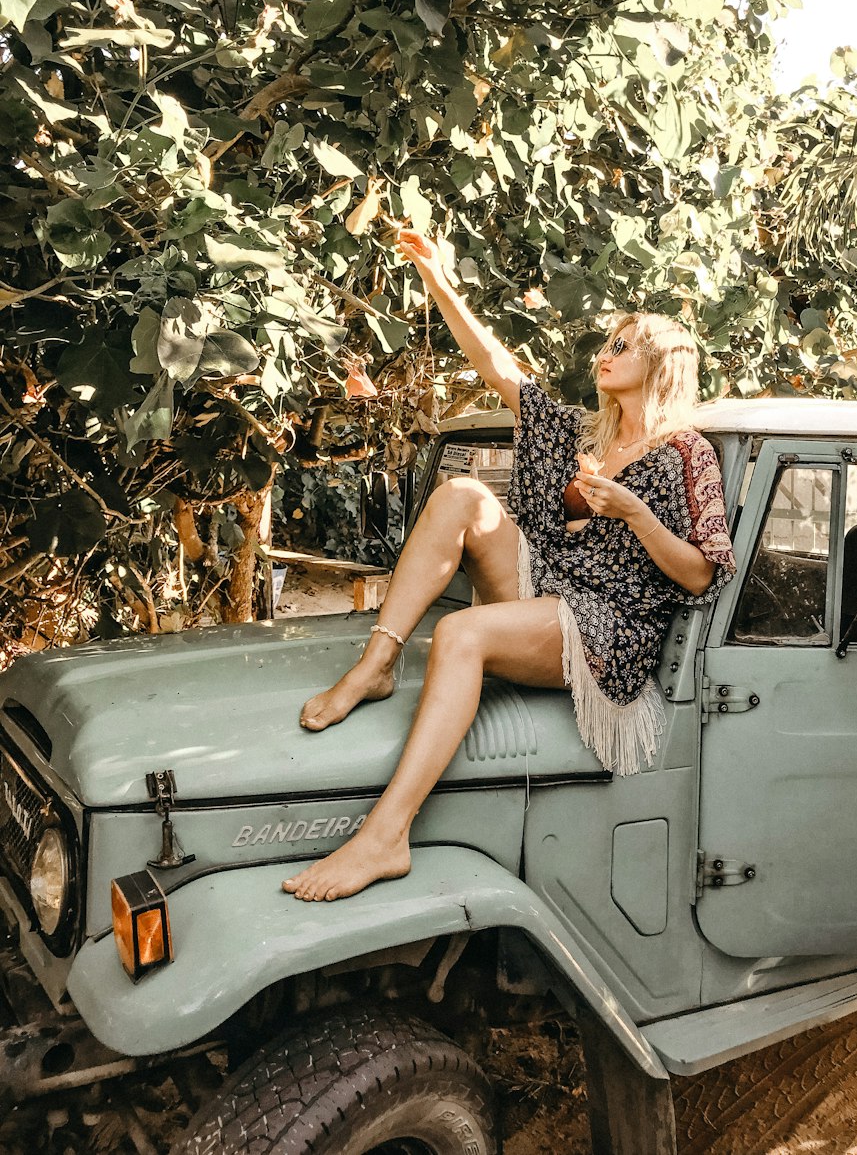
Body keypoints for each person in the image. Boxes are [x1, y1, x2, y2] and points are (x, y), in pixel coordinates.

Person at [281, 230, 736, 903]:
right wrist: (437, 279)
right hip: (553, 582)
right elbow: (500, 368)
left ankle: (386, 835)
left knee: (464, 633)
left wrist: (635, 511)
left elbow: (701, 572)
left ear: (662, 362)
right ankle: (379, 660)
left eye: (622, 344)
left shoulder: (687, 452)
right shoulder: (588, 434)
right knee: (461, 495)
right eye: (606, 342)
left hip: (610, 625)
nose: (604, 353)